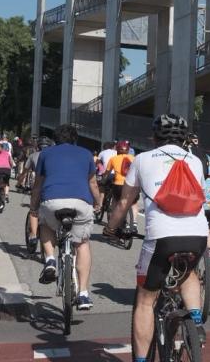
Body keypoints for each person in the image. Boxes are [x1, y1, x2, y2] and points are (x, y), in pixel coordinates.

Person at [104, 114, 208, 359]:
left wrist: (110, 228)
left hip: (162, 236)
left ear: (154, 137)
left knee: (145, 300)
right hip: (198, 234)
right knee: (188, 273)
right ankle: (196, 323)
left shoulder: (142, 159)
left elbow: (124, 202)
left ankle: (141, 359)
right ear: (184, 138)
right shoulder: (195, 161)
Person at [30, 124, 102, 311]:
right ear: (75, 139)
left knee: (45, 224)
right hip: (80, 202)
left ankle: (50, 260)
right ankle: (83, 293)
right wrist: (98, 202)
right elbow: (93, 183)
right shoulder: (86, 154)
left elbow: (38, 185)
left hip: (52, 201)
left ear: (55, 139)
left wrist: (34, 207)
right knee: (82, 243)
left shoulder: (45, 154)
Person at [21, 136, 53, 254]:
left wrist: (19, 181)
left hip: (37, 185)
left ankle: (33, 235)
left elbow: (25, 171)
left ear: (38, 146)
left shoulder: (33, 156)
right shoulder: (53, 156)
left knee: (33, 210)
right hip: (51, 187)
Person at [106, 140, 138, 234]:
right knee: (134, 202)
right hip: (132, 185)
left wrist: (104, 180)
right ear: (128, 150)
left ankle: (116, 223)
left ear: (117, 149)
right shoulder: (134, 158)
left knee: (116, 202)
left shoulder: (113, 159)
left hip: (118, 185)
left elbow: (107, 173)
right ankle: (134, 223)